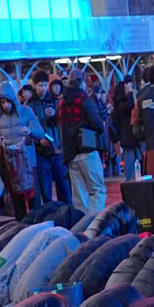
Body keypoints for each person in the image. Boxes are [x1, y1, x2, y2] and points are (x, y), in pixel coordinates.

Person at [0, 81, 43, 220]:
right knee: (17, 202)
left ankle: (38, 225)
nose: (5, 105)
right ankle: (22, 227)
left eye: (7, 101)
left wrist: (30, 130)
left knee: (34, 201)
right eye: (1, 102)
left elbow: (40, 132)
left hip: (29, 163)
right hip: (11, 165)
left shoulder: (26, 111)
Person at [57, 68, 106, 213]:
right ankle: (95, 226)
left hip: (71, 154)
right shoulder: (84, 99)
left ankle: (82, 227)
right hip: (87, 149)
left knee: (79, 196)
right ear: (82, 82)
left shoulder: (61, 103)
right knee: (97, 190)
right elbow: (97, 124)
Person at [29, 70, 70, 204]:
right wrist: (38, 140)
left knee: (64, 187)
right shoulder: (30, 105)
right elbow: (27, 128)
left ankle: (67, 215)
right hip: (40, 152)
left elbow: (63, 123)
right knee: (45, 191)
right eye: (40, 85)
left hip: (56, 150)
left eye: (45, 85)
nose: (43, 88)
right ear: (35, 85)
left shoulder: (54, 101)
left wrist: (54, 116)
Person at [111, 76, 142, 181]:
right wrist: (129, 93)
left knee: (132, 159)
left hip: (127, 136)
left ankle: (131, 179)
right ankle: (130, 180)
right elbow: (130, 106)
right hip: (129, 135)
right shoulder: (121, 105)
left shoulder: (118, 105)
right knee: (132, 160)